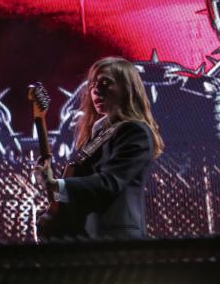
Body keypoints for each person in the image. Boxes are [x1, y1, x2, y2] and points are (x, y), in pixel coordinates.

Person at [35, 57, 164, 239]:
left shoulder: (135, 131)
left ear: (127, 88)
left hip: (116, 244)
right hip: (91, 242)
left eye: (105, 83)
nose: (96, 90)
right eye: (93, 84)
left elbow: (109, 183)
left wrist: (57, 185)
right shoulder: (97, 135)